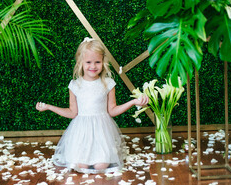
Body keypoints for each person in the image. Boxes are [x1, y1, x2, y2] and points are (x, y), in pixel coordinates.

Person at [36, 37, 148, 174]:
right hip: (81, 133)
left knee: (101, 166)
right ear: (80, 63)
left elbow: (112, 110)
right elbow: (72, 112)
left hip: (102, 132)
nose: (93, 66)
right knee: (80, 165)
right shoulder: (75, 85)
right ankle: (84, 159)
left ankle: (99, 159)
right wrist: (49, 107)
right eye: (88, 62)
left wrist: (133, 102)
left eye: (97, 62)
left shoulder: (108, 83)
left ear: (103, 62)